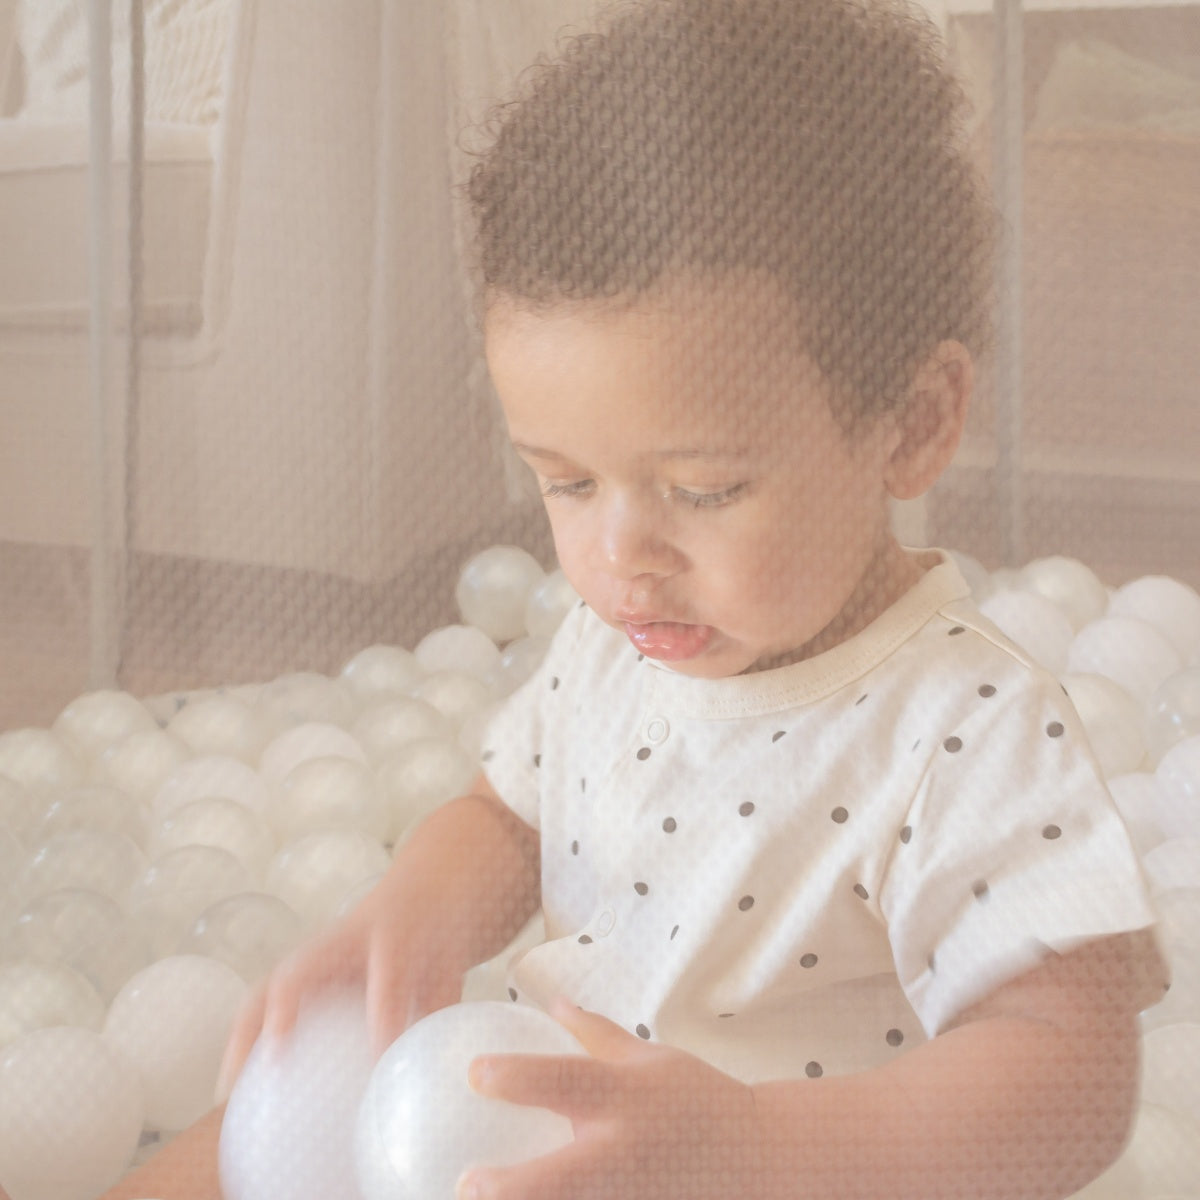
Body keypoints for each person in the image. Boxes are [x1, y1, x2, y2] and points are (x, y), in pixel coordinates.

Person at [105, 1, 1167, 1198]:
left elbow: (1073, 1079)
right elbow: (509, 812)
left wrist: (760, 1150)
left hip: (789, 1173)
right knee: (233, 1144)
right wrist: (418, 904)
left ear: (913, 425)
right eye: (564, 480)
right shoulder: (620, 644)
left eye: (703, 489)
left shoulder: (963, 726)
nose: (621, 557)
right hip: (547, 1133)